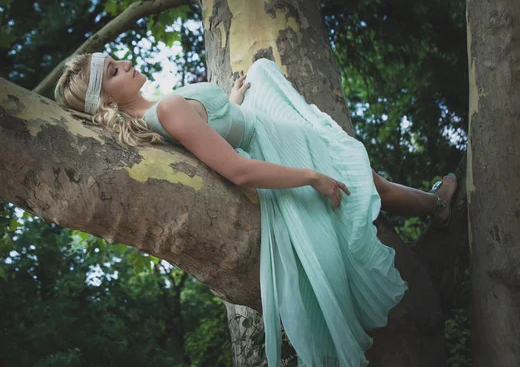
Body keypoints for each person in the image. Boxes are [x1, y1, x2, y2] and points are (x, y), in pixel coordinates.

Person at [55, 53, 457, 366]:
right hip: (272, 144)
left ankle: (434, 202)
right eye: (112, 72)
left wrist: (229, 103)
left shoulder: (156, 115)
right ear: (107, 98)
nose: (125, 64)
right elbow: (238, 170)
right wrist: (310, 176)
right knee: (368, 182)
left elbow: (213, 131)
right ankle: (438, 203)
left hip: (259, 125)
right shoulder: (165, 111)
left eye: (116, 61)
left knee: (366, 178)